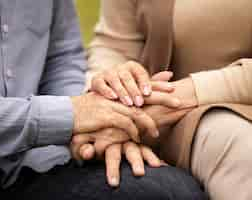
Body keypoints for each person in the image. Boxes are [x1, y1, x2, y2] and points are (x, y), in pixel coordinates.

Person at [0, 0, 207, 199]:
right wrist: (71, 116)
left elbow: (62, 59)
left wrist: (96, 132)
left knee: (172, 191)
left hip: (29, 166)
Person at [73, 0, 252, 199]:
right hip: (148, 124)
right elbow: (115, 45)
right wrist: (109, 109)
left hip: (233, 121)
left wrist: (173, 99)